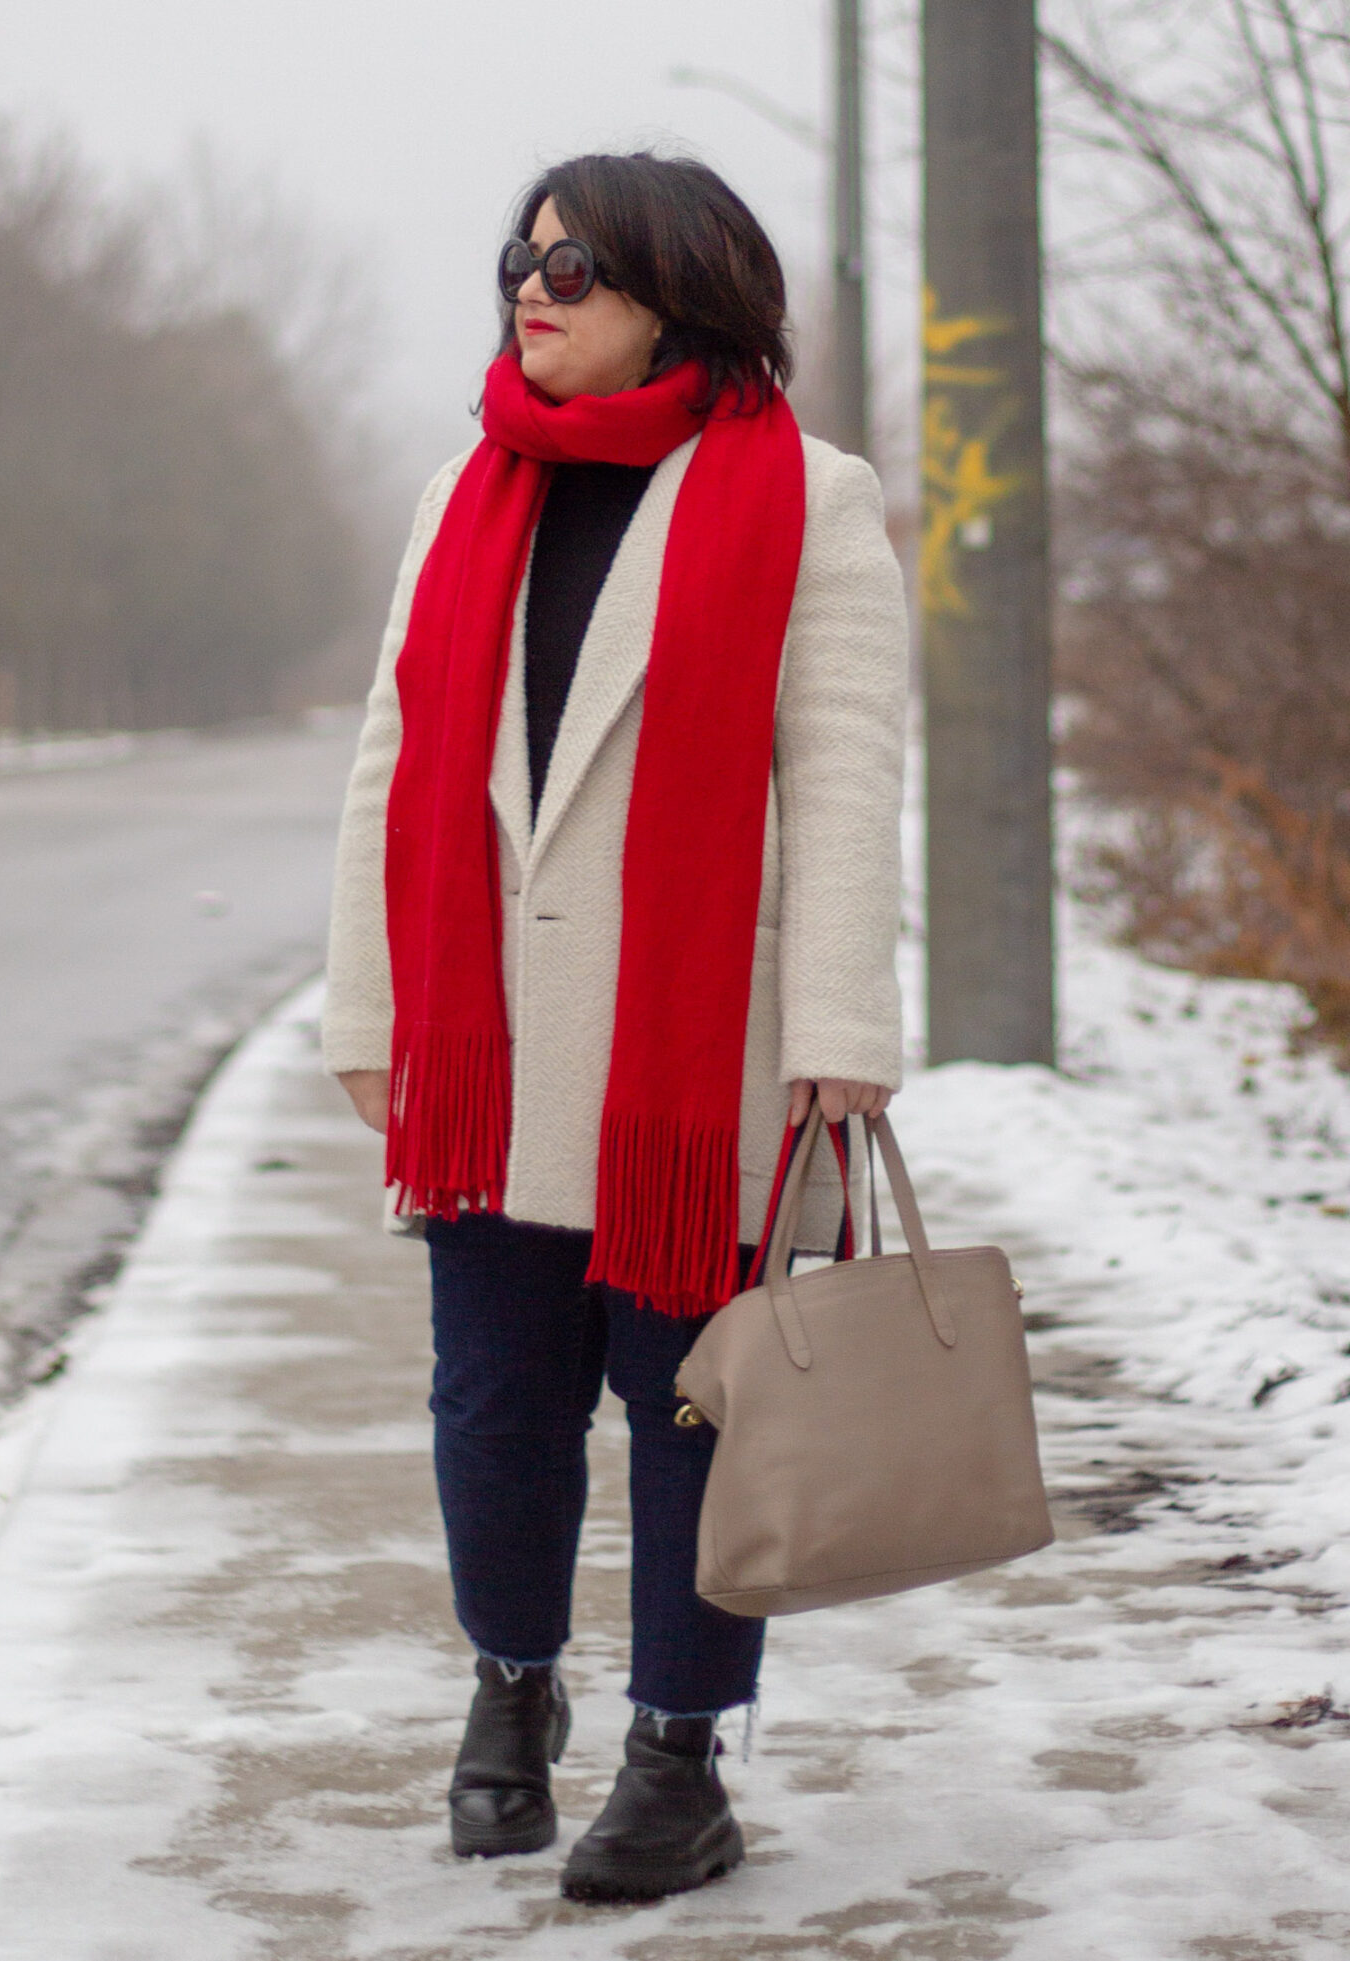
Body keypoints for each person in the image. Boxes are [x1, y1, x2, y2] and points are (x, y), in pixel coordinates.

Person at [323, 150, 907, 1904]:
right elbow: (391, 764)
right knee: (491, 1404)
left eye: (574, 263)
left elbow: (848, 780)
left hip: (700, 1061)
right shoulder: (466, 491)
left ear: (680, 288)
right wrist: (373, 1007)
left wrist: (842, 1031)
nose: (532, 284)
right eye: (522, 253)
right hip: (488, 1055)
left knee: (693, 1412)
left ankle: (681, 1750)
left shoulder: (811, 498)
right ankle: (511, 1691)